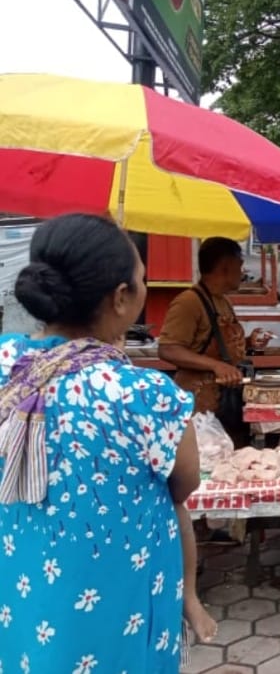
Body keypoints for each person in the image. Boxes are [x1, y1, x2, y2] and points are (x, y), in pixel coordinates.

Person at [0, 214, 212, 674]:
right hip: (121, 595)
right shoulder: (147, 396)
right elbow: (185, 485)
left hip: (22, 582)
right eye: (141, 281)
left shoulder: (7, 363)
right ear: (121, 298)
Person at [158, 237, 271, 444]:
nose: (243, 272)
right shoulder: (188, 302)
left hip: (224, 400)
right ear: (225, 267)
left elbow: (219, 345)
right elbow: (168, 349)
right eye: (240, 266)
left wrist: (247, 343)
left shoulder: (222, 300)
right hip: (199, 403)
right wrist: (216, 366)